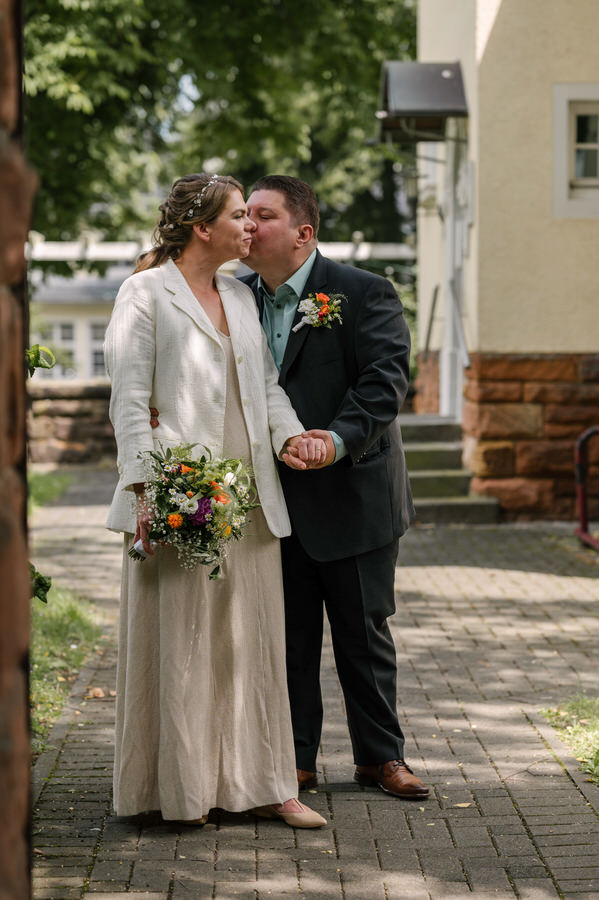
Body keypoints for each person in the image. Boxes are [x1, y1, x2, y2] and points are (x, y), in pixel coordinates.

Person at [104, 173, 327, 828]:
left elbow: (265, 387)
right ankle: (181, 792)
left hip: (251, 496)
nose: (250, 226)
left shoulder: (238, 292)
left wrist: (293, 437)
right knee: (183, 644)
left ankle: (269, 785)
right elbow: (128, 405)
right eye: (238, 215)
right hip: (180, 496)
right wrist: (146, 492)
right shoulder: (143, 294)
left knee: (252, 643)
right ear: (204, 228)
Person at [240, 175, 429, 800]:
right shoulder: (232, 298)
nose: (247, 226)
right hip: (275, 503)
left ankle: (382, 757)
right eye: (242, 214)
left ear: (303, 233)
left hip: (354, 494)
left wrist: (335, 439)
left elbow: (383, 382)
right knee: (288, 637)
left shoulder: (363, 292)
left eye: (261, 215)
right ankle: (295, 760)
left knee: (363, 633)